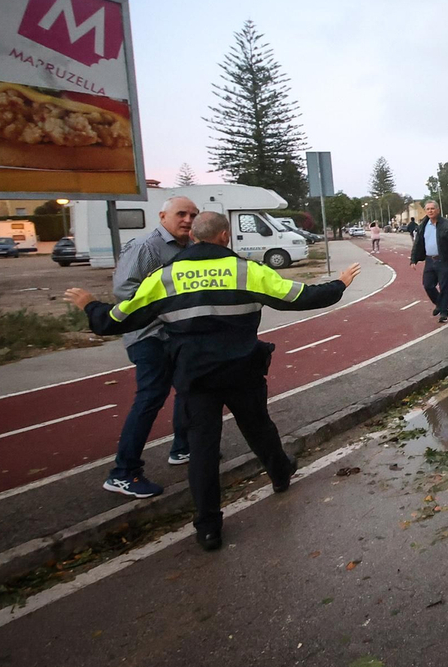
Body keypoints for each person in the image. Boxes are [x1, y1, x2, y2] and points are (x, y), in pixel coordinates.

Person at [65, 211, 362, 551]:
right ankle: (280, 474)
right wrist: (339, 283)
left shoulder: (165, 277)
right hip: (242, 371)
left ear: (193, 237)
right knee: (258, 427)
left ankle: (208, 528)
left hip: (195, 377)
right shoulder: (246, 270)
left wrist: (91, 306)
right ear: (224, 236)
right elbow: (299, 297)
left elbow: (119, 318)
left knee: (202, 450)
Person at [103, 196, 198, 499]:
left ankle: (182, 449)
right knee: (150, 398)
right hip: (148, 336)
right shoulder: (146, 247)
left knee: (189, 389)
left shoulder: (189, 249)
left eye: (193, 215)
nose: (187, 220)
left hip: (176, 335)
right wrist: (168, 309)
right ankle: (123, 472)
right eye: (181, 214)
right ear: (163, 216)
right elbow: (124, 290)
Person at [410, 199, 448, 323]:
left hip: (443, 260)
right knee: (427, 285)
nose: (430, 211)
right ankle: (440, 304)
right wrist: (413, 259)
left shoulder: (447, 224)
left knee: (444, 286)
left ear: (438, 210)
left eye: (432, 209)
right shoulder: (423, 225)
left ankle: (444, 312)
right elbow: (417, 243)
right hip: (429, 261)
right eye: (428, 209)